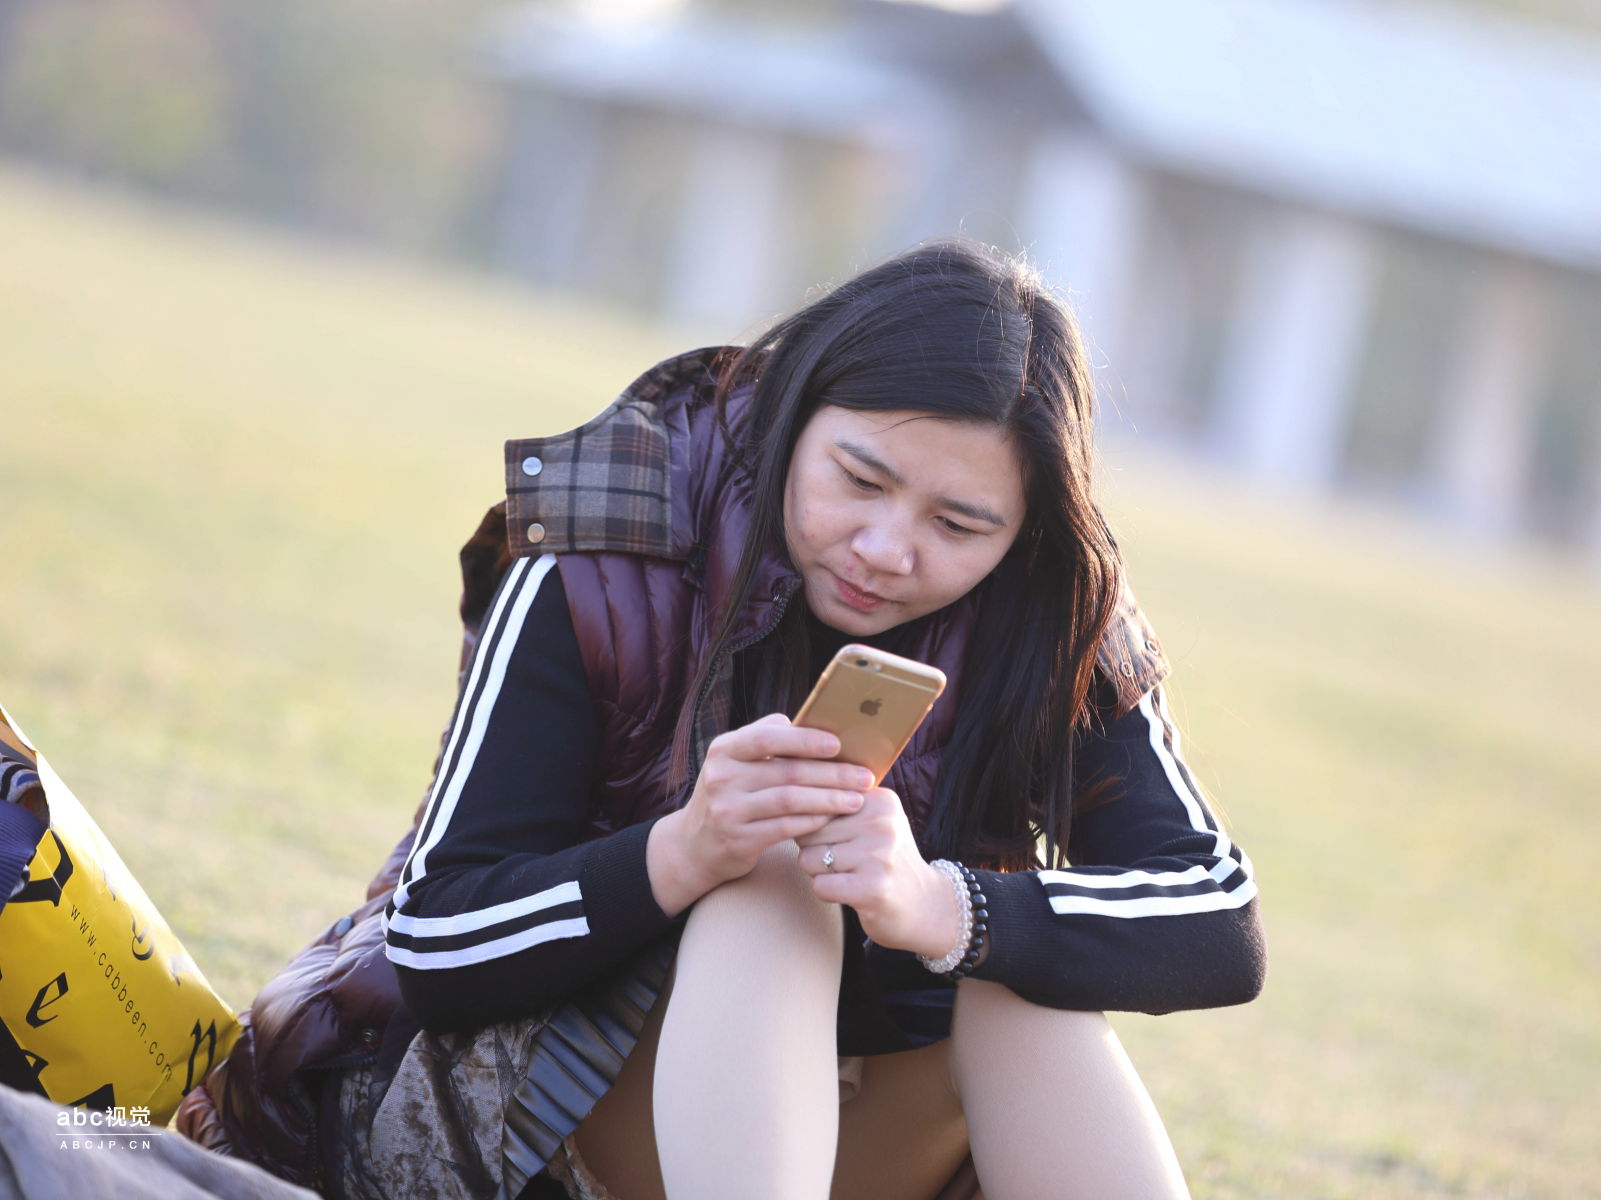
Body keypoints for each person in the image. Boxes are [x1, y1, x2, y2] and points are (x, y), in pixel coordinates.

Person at [178, 239, 1265, 1200]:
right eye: (861, 479)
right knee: (769, 878)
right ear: (797, 405)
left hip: (851, 1133)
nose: (887, 549)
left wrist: (946, 908)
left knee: (1018, 971)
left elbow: (1221, 924)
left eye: (959, 525)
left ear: (1023, 530)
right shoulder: (611, 535)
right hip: (516, 1127)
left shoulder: (1053, 606)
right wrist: (684, 851)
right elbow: (432, 940)